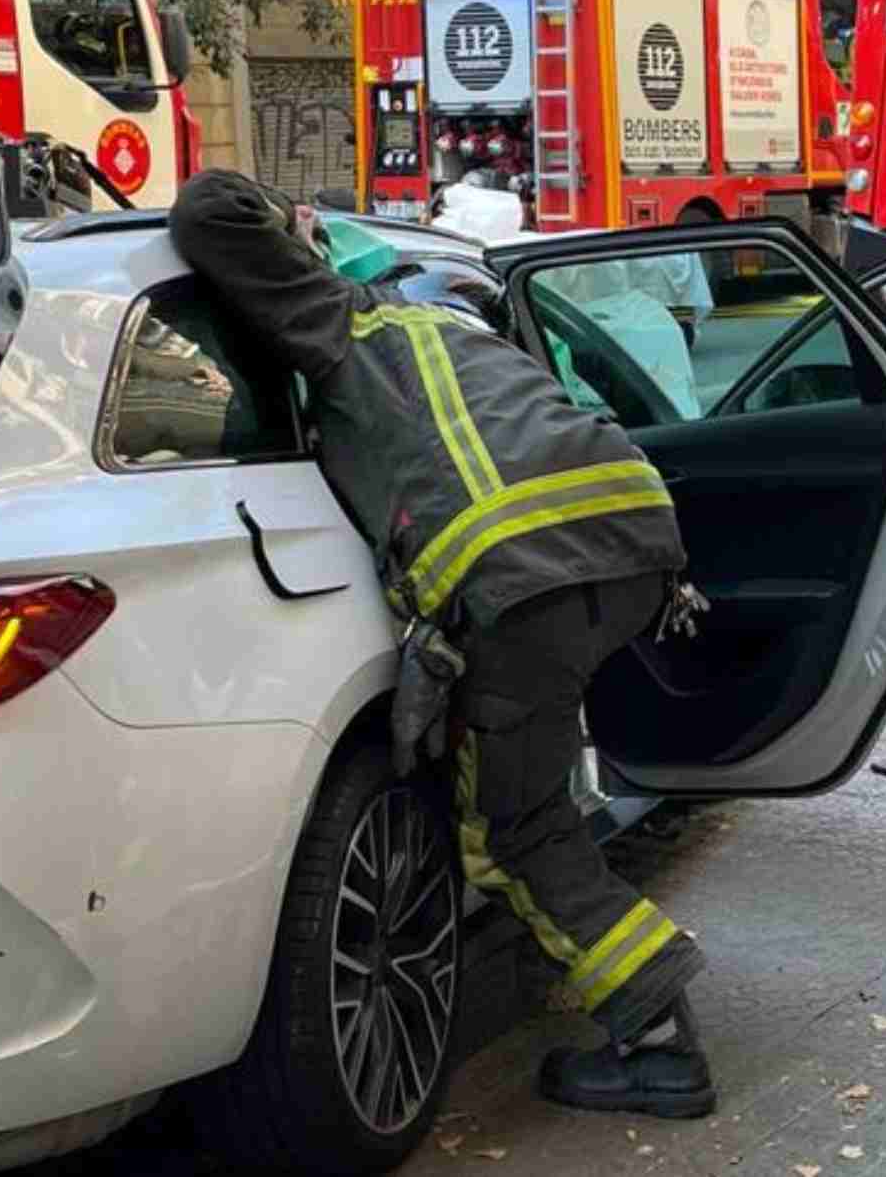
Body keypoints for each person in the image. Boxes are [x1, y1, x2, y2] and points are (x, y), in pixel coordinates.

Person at [169, 170, 715, 1119]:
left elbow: (208, 209)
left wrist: (285, 221)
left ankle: (663, 1043)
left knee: (518, 827)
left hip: (523, 577)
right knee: (528, 762)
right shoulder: (470, 338)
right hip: (634, 547)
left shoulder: (345, 322)